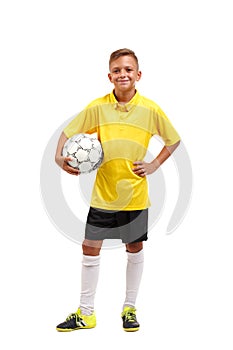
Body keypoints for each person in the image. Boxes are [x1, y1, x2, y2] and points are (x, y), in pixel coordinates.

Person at [55, 48, 180, 332]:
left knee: (134, 247)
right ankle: (86, 313)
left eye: (128, 69)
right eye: (117, 70)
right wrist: (57, 154)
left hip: (135, 194)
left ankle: (129, 308)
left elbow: (172, 140)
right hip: (103, 194)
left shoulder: (151, 109)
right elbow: (68, 131)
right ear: (109, 76)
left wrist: (154, 165)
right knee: (90, 247)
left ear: (138, 75)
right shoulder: (98, 107)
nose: (122, 74)